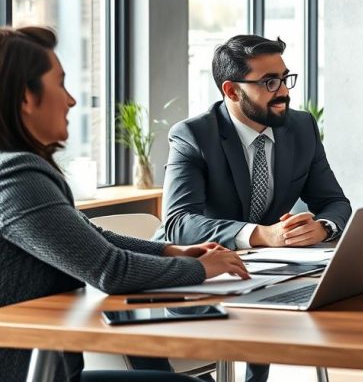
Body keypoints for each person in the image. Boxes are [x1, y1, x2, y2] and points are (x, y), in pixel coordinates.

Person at [0, 26, 249, 382]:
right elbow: (109, 271)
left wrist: (170, 253)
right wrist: (204, 269)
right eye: (61, 84)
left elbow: (89, 235)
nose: (71, 100)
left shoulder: (17, 169)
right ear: (26, 96)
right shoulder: (15, 177)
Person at [150, 34, 351, 382]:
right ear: (231, 91)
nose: (284, 91)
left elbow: (334, 202)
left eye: (285, 78)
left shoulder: (301, 127)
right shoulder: (193, 136)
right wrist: (260, 234)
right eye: (269, 82)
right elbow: (178, 223)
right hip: (191, 274)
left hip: (262, 273)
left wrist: (323, 227)